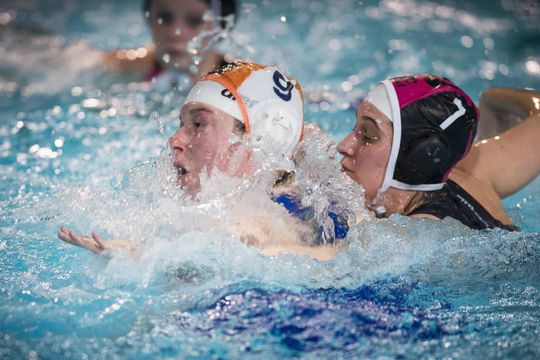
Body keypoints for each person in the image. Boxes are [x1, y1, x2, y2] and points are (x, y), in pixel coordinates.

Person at [58, 61, 348, 260]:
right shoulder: (310, 201)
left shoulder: (260, 218)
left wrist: (139, 254)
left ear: (257, 141)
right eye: (181, 124)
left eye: (198, 125)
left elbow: (231, 235)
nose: (174, 140)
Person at [337, 74, 540, 230]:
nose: (344, 146)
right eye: (355, 128)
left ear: (417, 157)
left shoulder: (420, 234)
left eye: (368, 136)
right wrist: (490, 98)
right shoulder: (471, 173)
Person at [103, 0, 237, 90]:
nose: (175, 33)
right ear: (149, 19)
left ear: (220, 30)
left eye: (194, 21)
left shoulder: (239, 83)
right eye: (164, 17)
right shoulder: (124, 66)